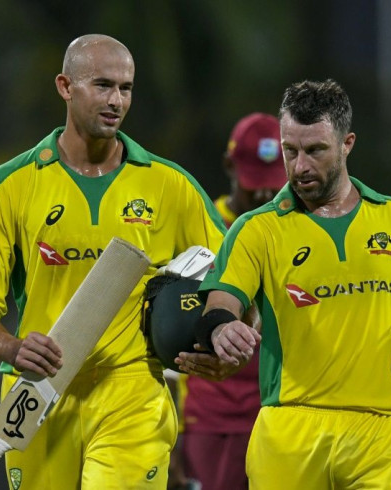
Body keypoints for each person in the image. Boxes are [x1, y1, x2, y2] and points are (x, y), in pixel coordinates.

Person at [182, 79, 391, 489]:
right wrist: (222, 326)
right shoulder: (256, 230)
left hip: (386, 436)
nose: (299, 166)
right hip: (289, 432)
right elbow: (221, 301)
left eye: (315, 150)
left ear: (347, 144)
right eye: (290, 151)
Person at [0, 34, 226, 489]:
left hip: (132, 390)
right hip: (38, 391)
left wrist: (225, 335)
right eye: (102, 85)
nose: (116, 100)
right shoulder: (8, 186)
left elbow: (236, 275)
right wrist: (12, 347)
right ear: (65, 86)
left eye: (126, 88)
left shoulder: (170, 185)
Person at [170, 113, 286, 490]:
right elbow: (167, 333)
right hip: (210, 418)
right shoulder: (198, 228)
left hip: (279, 412)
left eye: (274, 183)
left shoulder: (295, 231)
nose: (266, 194)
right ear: (228, 165)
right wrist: (171, 438)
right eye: (255, 183)